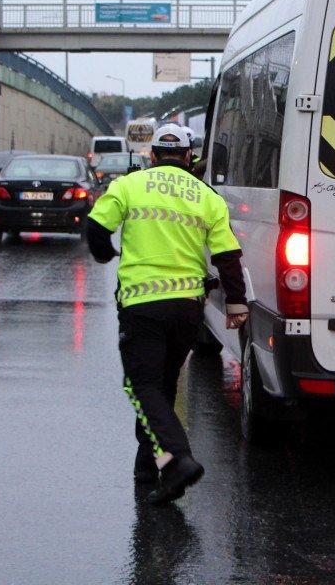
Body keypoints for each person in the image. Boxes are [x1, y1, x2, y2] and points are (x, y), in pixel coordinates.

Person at [86, 123, 249, 505]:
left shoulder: (130, 185)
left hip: (142, 307)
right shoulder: (207, 196)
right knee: (161, 383)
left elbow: (96, 227)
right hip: (187, 310)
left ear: (153, 155)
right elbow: (227, 255)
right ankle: (149, 464)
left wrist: (104, 253)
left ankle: (177, 460)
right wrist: (237, 303)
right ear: (190, 158)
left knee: (142, 387)